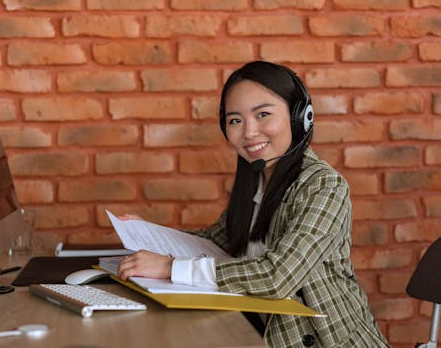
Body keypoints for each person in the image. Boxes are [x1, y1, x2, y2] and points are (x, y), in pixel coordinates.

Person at [117, 61, 390, 347]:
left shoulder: (323, 187)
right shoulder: (255, 181)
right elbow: (214, 242)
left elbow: (277, 276)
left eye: (263, 114)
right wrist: (145, 232)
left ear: (300, 118)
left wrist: (170, 268)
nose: (248, 132)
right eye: (235, 120)